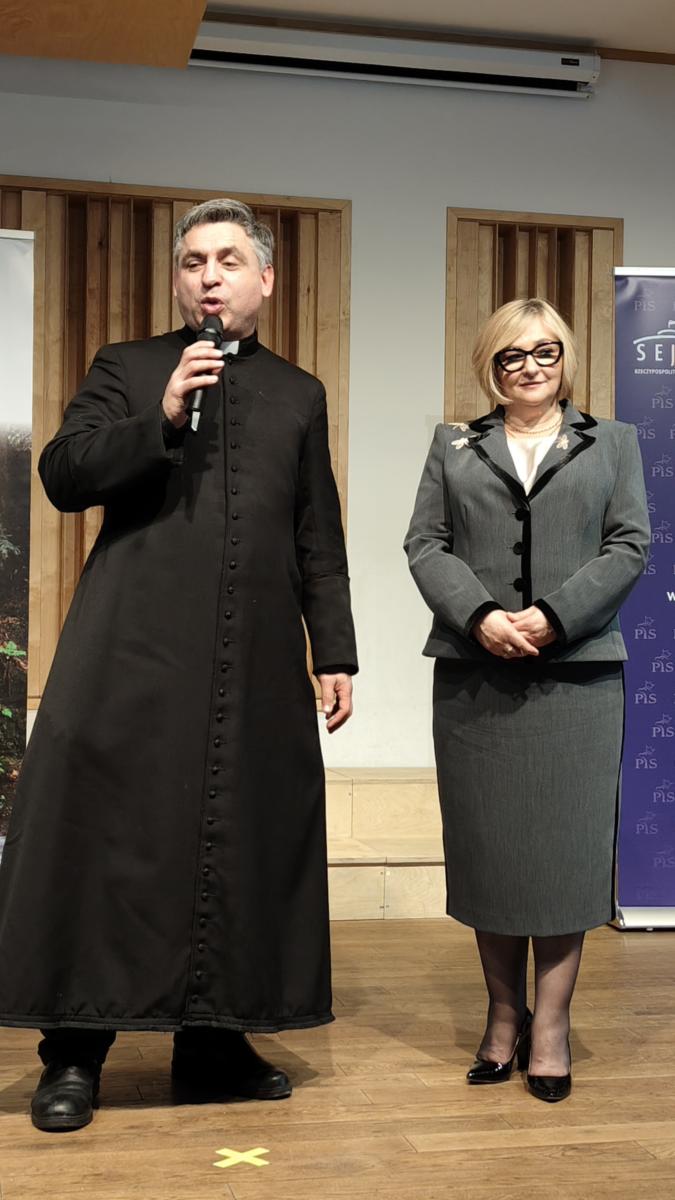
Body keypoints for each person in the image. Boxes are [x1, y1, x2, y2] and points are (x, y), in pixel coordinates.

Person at [0, 198, 358, 1132]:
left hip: (255, 661)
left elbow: (316, 532)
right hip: (132, 650)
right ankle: (75, 1051)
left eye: (228, 260)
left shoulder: (299, 393)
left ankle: (213, 1042)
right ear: (176, 280)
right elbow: (63, 472)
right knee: (103, 839)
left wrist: (335, 650)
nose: (209, 275)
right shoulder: (127, 366)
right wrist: (159, 413)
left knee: (241, 838)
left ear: (264, 279)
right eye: (194, 260)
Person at [405, 297, 649, 1102]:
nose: (530, 367)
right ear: (490, 366)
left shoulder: (613, 443)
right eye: (511, 355)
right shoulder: (453, 446)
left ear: (564, 359)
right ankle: (502, 1017)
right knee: (492, 854)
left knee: (565, 857)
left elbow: (628, 545)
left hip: (576, 678)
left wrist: (553, 615)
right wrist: (479, 615)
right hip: (475, 679)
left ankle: (550, 1028)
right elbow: (425, 544)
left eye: (545, 351)